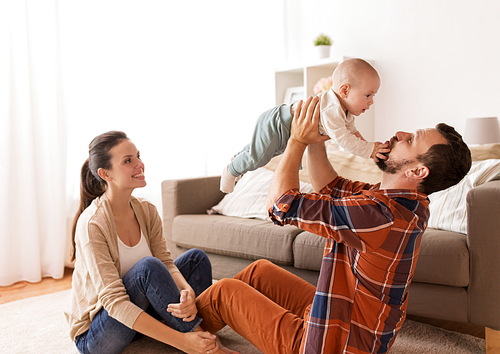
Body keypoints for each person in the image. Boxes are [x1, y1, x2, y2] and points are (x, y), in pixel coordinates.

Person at [196, 96, 472, 354]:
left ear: (416, 171)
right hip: (341, 318)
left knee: (224, 293)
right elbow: (331, 186)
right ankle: (188, 312)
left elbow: (281, 204)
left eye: (410, 140)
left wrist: (297, 141)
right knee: (259, 271)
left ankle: (179, 330)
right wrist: (317, 134)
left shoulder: (381, 216)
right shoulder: (400, 203)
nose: (399, 134)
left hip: (333, 345)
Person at [64, 131, 234, 354]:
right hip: (97, 334)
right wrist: (181, 342)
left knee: (196, 259)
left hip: (137, 316)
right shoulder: (92, 224)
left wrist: (186, 291)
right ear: (105, 174)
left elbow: (166, 262)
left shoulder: (147, 210)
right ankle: (200, 342)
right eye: (128, 160)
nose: (139, 164)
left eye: (137, 156)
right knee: (148, 268)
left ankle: (193, 333)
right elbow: (114, 302)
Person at [220, 58, 387, 193]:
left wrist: (370, 148)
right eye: (368, 95)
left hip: (287, 128)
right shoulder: (332, 109)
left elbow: (352, 132)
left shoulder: (345, 111)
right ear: (344, 91)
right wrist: (369, 149)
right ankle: (231, 170)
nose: (371, 101)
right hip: (278, 122)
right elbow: (344, 139)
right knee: (259, 157)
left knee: (269, 152)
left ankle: (238, 157)